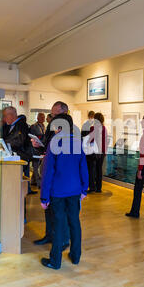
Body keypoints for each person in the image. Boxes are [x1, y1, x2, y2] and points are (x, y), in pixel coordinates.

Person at [39, 113, 88, 269]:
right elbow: (83, 167)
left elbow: (47, 173)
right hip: (74, 191)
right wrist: (84, 188)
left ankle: (55, 261)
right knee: (74, 222)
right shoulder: (77, 142)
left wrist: (44, 197)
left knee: (58, 225)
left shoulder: (55, 142)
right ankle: (75, 256)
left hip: (57, 192)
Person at [32, 101, 70, 246]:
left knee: (61, 211)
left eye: (55, 114)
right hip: (51, 173)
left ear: (64, 113)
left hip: (60, 177)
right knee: (49, 208)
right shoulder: (53, 126)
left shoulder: (69, 132)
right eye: (52, 114)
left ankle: (63, 240)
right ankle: (50, 235)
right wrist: (40, 146)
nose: (52, 116)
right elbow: (49, 144)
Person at [2, 106, 37, 195]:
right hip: (15, 158)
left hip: (21, 158)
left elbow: (18, 142)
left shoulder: (22, 126)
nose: (4, 118)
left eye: (6, 116)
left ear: (12, 115)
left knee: (20, 188)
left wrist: (3, 143)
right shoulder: (9, 126)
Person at [86, 112, 108, 193]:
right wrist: (105, 151)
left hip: (94, 151)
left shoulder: (93, 128)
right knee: (99, 170)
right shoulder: (104, 128)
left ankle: (92, 187)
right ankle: (99, 188)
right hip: (101, 152)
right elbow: (105, 140)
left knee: (91, 170)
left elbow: (90, 140)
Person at [29, 113, 46, 188]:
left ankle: (33, 181)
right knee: (36, 166)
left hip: (41, 148)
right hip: (35, 148)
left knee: (38, 165)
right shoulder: (34, 126)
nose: (43, 119)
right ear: (38, 118)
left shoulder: (43, 126)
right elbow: (32, 137)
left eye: (44, 117)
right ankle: (39, 183)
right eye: (41, 117)